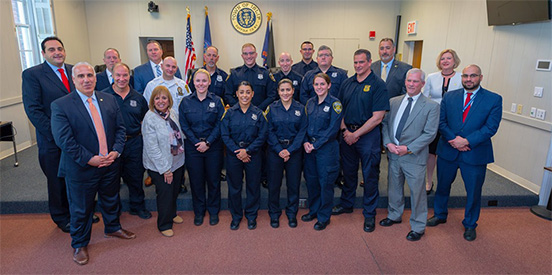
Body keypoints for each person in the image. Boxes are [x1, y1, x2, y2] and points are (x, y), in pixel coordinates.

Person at [51, 62, 136, 265]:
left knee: (111, 198)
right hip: (81, 167)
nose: (86, 80)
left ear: (96, 78)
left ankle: (113, 227)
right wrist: (90, 158)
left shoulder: (108, 99)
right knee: (81, 208)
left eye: (90, 75)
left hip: (110, 163)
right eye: (81, 76)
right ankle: (79, 243)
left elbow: (120, 129)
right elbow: (64, 140)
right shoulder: (61, 105)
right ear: (74, 80)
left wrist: (115, 152)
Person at [22, 36, 98, 233]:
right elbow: (34, 110)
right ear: (43, 53)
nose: (57, 52)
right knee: (57, 180)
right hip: (52, 141)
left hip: (79, 138)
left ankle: (80, 212)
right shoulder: (33, 75)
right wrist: (59, 135)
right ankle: (62, 217)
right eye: (52, 49)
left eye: (60, 49)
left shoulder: (76, 71)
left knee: (78, 177)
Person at [427, 64, 502, 241]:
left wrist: (466, 141)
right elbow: (441, 122)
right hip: (448, 150)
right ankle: (440, 214)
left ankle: (470, 224)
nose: (468, 79)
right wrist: (454, 140)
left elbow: (490, 128)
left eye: (473, 76)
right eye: (465, 76)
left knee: (473, 191)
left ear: (480, 78)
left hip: (475, 153)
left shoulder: (493, 99)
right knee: (443, 186)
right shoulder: (450, 97)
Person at [332, 49, 389, 233]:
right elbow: (338, 109)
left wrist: (356, 135)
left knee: (369, 175)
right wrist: (345, 131)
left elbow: (377, 117)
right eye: (355, 62)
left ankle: (370, 214)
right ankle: (347, 203)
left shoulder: (378, 85)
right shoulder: (347, 83)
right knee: (348, 173)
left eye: (361, 62)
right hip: (347, 133)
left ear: (370, 62)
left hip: (368, 136)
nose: (358, 66)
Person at [381, 68, 440, 241]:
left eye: (415, 81)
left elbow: (430, 134)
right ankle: (394, 214)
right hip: (394, 154)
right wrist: (388, 143)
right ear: (405, 82)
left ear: (422, 84)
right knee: (394, 187)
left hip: (414, 156)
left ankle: (418, 225)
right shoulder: (393, 102)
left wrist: (409, 148)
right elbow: (385, 125)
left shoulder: (431, 106)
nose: (411, 84)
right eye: (409, 81)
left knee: (417, 193)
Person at [102, 63, 151, 219]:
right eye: (118, 75)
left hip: (134, 142)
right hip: (111, 144)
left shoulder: (138, 97)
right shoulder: (103, 96)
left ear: (129, 76)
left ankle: (137, 206)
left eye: (125, 75)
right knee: (112, 180)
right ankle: (113, 211)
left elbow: (145, 120)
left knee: (136, 176)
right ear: (112, 75)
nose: (122, 79)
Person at [179, 69, 225, 226]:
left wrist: (208, 142)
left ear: (209, 82)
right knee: (196, 181)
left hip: (213, 147)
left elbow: (220, 124)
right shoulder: (185, 102)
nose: (201, 84)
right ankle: (199, 212)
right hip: (193, 148)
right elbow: (184, 125)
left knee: (213, 180)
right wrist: (196, 142)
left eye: (204, 81)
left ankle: (213, 211)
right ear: (193, 82)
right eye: (198, 81)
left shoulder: (217, 101)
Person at [221, 81, 268, 230]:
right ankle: (236, 216)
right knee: (234, 187)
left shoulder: (259, 114)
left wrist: (247, 151)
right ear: (237, 94)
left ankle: (251, 216)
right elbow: (224, 134)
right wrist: (238, 152)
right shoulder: (229, 113)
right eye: (241, 92)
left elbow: (262, 136)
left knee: (253, 186)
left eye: (248, 92)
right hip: (233, 155)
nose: (245, 95)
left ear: (253, 94)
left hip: (253, 155)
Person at [142, 86, 186, 237]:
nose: (161, 101)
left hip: (177, 160)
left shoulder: (172, 113)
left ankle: (172, 214)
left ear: (169, 100)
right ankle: (164, 224)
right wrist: (165, 169)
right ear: (152, 100)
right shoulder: (150, 118)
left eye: (164, 98)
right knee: (165, 194)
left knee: (174, 191)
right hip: (159, 165)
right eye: (157, 98)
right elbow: (152, 148)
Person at [301, 73, 343, 231]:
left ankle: (324, 217)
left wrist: (315, 144)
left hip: (326, 149)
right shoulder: (309, 103)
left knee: (325, 183)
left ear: (329, 85)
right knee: (311, 181)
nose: (319, 87)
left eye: (322, 84)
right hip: (309, 149)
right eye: (316, 85)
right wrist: (305, 141)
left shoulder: (335, 104)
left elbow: (333, 129)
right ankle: (314, 211)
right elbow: (304, 125)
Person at [265, 79, 307, 228]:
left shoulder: (301, 109)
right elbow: (268, 131)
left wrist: (289, 150)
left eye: (288, 90)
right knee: (274, 184)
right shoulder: (271, 108)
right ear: (278, 91)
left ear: (293, 91)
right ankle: (274, 214)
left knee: (293, 184)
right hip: (275, 151)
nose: (285, 93)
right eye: (282, 90)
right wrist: (279, 150)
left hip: (294, 152)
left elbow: (302, 132)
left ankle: (291, 213)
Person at [422, 49, 462, 194]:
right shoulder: (432, 77)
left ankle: (444, 183)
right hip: (434, 120)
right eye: (443, 58)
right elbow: (425, 98)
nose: (445, 61)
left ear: (454, 61)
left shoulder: (461, 77)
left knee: (446, 154)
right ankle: (428, 180)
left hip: (452, 122)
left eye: (449, 58)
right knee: (431, 153)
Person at [224, 43, 277, 111]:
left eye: (251, 53)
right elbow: (228, 95)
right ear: (242, 56)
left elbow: (272, 96)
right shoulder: (235, 73)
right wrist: (240, 108)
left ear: (256, 55)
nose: (249, 56)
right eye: (245, 54)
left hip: (260, 114)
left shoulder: (265, 73)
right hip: (239, 114)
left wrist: (258, 110)